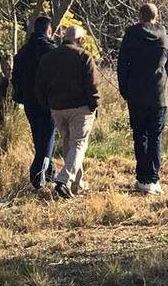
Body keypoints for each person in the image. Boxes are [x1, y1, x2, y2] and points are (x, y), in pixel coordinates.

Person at [34, 25, 101, 199]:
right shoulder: (84, 57)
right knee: (78, 145)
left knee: (68, 145)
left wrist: (47, 105)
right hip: (80, 108)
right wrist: (95, 105)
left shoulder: (47, 58)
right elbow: (92, 85)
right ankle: (63, 180)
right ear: (79, 40)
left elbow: (39, 86)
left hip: (57, 108)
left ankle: (75, 184)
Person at [117, 3, 168, 195]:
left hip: (136, 95)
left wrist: (126, 90)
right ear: (157, 17)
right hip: (158, 96)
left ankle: (142, 178)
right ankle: (154, 180)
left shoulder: (131, 37)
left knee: (140, 135)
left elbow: (122, 65)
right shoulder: (165, 38)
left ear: (140, 16)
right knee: (155, 136)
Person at [12, 16, 58, 191]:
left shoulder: (23, 51)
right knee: (47, 139)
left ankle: (50, 173)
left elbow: (15, 77)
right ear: (49, 31)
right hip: (48, 100)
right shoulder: (52, 50)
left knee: (39, 137)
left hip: (29, 101)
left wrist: (21, 94)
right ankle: (37, 177)